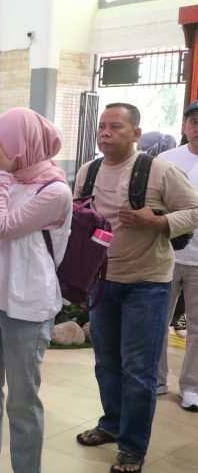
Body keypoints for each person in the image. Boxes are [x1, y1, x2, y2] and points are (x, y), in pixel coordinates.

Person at [74, 103, 198, 473]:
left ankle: (132, 446)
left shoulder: (158, 170)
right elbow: (81, 214)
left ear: (136, 133)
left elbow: (194, 209)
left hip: (147, 284)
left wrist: (158, 221)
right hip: (102, 282)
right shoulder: (88, 170)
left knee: (139, 369)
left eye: (116, 126)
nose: (106, 133)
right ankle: (111, 424)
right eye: (102, 127)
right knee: (106, 362)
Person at [0, 108, 72, 473]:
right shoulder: (5, 180)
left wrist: (0, 177)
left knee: (22, 402)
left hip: (27, 305)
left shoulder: (54, 190)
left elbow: (0, 227)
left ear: (21, 147)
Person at [157, 101, 198, 411]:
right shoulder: (166, 160)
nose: (197, 127)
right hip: (165, 255)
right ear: (184, 126)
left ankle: (192, 388)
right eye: (193, 120)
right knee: (156, 321)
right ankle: (156, 379)